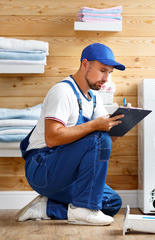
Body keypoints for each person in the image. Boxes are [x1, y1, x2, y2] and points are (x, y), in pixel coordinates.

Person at [16, 43, 128, 226]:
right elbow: (52, 138)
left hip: (69, 174)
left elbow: (106, 142)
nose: (106, 78)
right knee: (97, 137)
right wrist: (95, 126)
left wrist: (123, 123)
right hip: (43, 169)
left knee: (111, 203)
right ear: (85, 64)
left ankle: (47, 208)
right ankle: (83, 209)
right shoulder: (63, 91)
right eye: (102, 70)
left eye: (109, 73)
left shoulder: (94, 99)